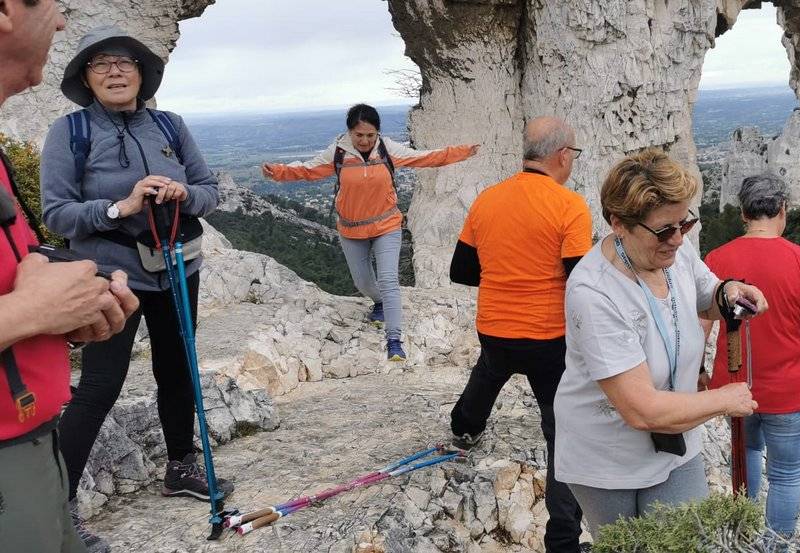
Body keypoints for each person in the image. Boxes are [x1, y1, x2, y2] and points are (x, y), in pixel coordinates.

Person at [39, 25, 225, 550]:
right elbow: (57, 213)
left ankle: (181, 466)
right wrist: (121, 205)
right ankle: (56, 506)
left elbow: (209, 192)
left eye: (125, 62)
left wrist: (183, 192)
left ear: (143, 74)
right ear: (86, 79)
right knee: (99, 385)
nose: (115, 71)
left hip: (177, 266)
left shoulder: (170, 125)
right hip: (109, 275)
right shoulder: (70, 133)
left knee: (178, 368)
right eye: (101, 65)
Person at [554, 148, 766, 530]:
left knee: (689, 536)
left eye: (683, 224)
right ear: (619, 224)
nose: (678, 239)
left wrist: (731, 290)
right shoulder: (594, 291)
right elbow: (641, 410)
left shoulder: (672, 255)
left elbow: (707, 297)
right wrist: (722, 400)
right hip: (608, 457)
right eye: (665, 230)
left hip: (676, 441)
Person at [0, 5, 138, 553]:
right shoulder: (70, 133)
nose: (60, 23)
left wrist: (61, 316)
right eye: (54, 5)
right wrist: (32, 313)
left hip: (33, 445)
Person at [446, 116, 589, 552]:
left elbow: (462, 271)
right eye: (574, 155)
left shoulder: (487, 200)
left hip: (495, 327)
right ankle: (563, 542)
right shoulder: (570, 207)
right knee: (562, 435)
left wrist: (507, 273)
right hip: (549, 338)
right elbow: (579, 281)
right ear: (562, 154)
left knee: (489, 371)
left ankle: (464, 427)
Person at [702, 173, 800, 540]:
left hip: (735, 385)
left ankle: (743, 537)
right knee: (786, 475)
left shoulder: (717, 258)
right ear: (783, 210)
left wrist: (697, 369)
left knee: (747, 455)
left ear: (743, 213)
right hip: (789, 389)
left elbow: (700, 323)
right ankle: (775, 548)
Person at [263, 104, 478, 362]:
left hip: (386, 225)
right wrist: (278, 172)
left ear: (377, 133)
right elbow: (308, 170)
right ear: (349, 133)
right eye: (359, 135)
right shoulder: (339, 152)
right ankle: (378, 303)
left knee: (388, 281)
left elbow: (425, 157)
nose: (365, 141)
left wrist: (461, 152)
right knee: (362, 282)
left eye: (370, 135)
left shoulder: (387, 149)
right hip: (352, 229)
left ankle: (394, 340)